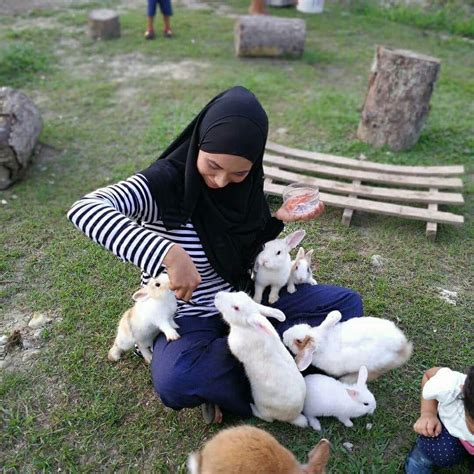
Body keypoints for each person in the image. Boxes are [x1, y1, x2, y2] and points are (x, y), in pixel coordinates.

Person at [67, 86, 364, 424]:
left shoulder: (246, 188)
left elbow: (242, 250)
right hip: (191, 316)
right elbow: (85, 210)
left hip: (246, 303)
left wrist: (278, 220)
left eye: (238, 173)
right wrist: (168, 252)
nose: (222, 181)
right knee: (177, 380)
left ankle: (240, 373)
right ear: (199, 143)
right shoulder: (163, 185)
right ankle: (275, 369)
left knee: (346, 305)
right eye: (212, 166)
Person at [405, 366, 474, 473]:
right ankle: (422, 459)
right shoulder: (450, 387)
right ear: (463, 391)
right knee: (439, 450)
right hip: (451, 434)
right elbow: (429, 376)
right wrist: (428, 413)